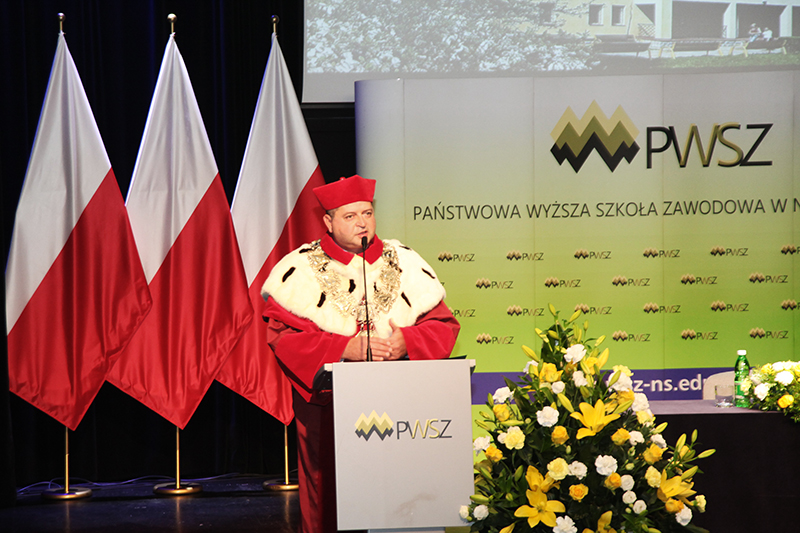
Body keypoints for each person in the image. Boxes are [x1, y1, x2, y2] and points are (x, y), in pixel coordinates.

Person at [261, 175, 460, 533]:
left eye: (367, 213)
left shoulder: (405, 260)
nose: (362, 223)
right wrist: (344, 348)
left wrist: (408, 341)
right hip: (330, 406)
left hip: (404, 404)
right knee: (331, 496)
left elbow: (443, 325)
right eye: (350, 216)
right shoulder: (300, 269)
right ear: (328, 222)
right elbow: (283, 337)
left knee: (402, 492)